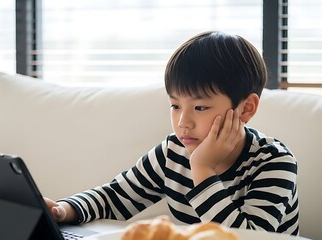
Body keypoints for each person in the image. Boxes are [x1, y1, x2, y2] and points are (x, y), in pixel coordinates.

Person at [45, 31, 299, 235]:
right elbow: (116, 196)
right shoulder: (173, 151)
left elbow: (247, 236)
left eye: (200, 107)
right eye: (175, 105)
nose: (183, 122)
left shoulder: (274, 162)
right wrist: (62, 210)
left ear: (246, 108)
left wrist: (202, 169)